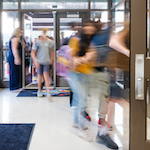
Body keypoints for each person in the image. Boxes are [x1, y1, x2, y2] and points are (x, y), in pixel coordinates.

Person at [31, 29, 54, 99]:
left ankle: (48, 91)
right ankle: (39, 91)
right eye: (43, 32)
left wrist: (52, 59)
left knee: (46, 76)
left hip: (46, 61)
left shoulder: (49, 42)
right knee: (40, 76)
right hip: (39, 61)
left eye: (45, 32)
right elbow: (33, 52)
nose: (44, 34)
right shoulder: (37, 42)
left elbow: (51, 51)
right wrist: (35, 61)